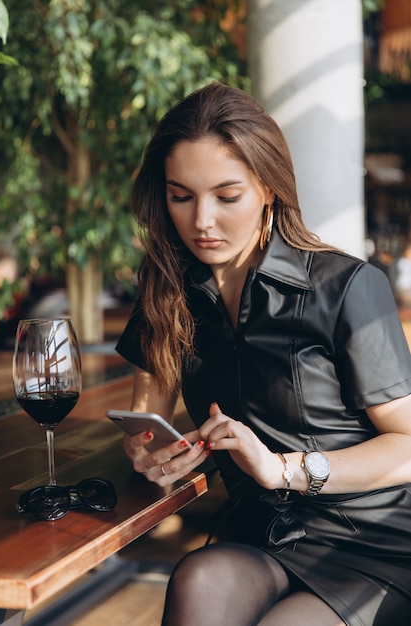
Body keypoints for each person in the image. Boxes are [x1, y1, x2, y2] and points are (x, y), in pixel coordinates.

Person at [116, 82, 411, 626]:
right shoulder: (167, 292)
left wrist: (283, 468)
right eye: (181, 196)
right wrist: (150, 457)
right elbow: (145, 425)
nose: (202, 221)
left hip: (376, 542)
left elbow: (409, 446)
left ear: (268, 189)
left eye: (227, 197)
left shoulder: (345, 286)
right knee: (198, 580)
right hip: (261, 534)